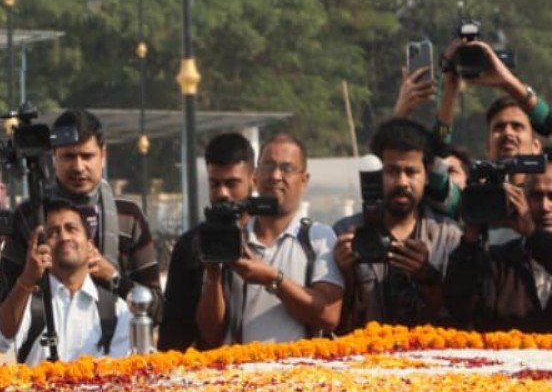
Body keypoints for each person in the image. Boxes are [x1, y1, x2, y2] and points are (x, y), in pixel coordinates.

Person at [0, 109, 161, 319]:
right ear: (54, 156)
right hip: (47, 346)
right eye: (69, 156)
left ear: (103, 156)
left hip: (116, 346)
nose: (79, 167)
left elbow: (157, 308)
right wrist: (34, 277)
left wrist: (113, 277)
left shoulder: (128, 216)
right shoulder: (31, 215)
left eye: (87, 156)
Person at [194, 133, 344, 347]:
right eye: (268, 166)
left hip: (300, 374)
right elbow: (211, 335)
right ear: (255, 176)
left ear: (304, 180)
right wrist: (212, 275)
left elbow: (328, 315)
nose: (275, 176)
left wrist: (273, 279)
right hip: (237, 374)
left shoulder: (318, 237)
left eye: (287, 168)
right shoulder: (234, 237)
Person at [333, 118, 462, 330]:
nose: (402, 182)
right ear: (377, 175)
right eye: (392, 171)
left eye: (411, 172)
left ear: (427, 175)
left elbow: (460, 315)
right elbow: (333, 321)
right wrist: (345, 273)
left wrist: (426, 275)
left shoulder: (449, 236)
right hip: (367, 357)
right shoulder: (346, 233)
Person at [0, 199, 130, 365]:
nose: (64, 237)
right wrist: (27, 278)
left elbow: (118, 374)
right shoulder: (31, 302)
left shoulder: (115, 310)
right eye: (53, 233)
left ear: (90, 245)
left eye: (72, 229)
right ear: (43, 246)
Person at [159, 133, 255, 351]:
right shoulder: (190, 245)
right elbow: (174, 332)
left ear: (253, 180)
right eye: (215, 184)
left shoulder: (265, 241)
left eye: (232, 184)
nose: (223, 193)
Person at [444, 166, 552, 330]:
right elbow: (460, 308)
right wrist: (470, 238)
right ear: (522, 198)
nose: (545, 206)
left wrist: (532, 234)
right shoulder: (499, 261)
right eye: (536, 196)